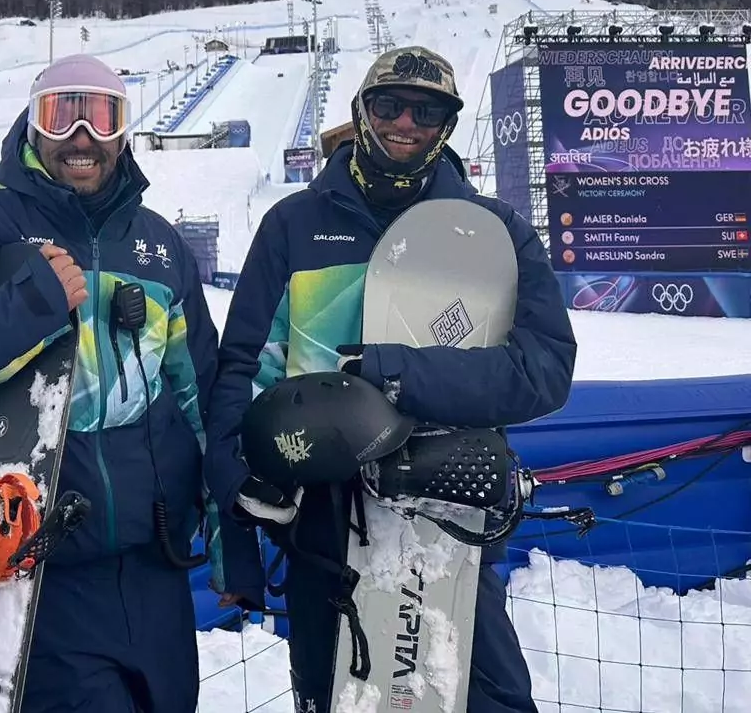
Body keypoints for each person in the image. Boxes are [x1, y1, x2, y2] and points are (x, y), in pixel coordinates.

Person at [0, 53, 265, 713]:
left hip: (154, 567)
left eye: (102, 117)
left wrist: (232, 541)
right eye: (61, 115)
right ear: (33, 124)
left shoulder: (158, 244)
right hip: (40, 571)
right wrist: (31, 302)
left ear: (123, 131)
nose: (81, 136)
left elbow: (202, 399)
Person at [204, 45, 577, 712]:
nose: (406, 122)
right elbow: (240, 374)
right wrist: (238, 514)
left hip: (449, 517)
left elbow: (545, 370)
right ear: (361, 111)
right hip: (322, 522)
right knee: (340, 698)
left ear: (447, 125)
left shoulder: (496, 234)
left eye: (427, 112)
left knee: (487, 698)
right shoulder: (293, 226)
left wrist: (395, 377)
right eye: (390, 105)